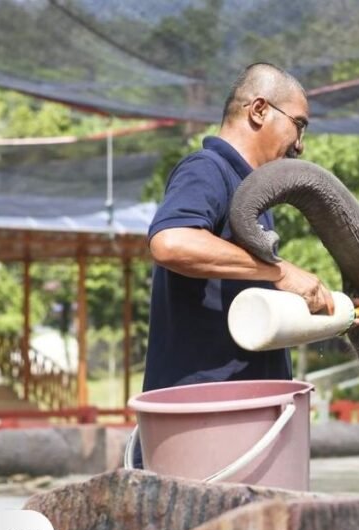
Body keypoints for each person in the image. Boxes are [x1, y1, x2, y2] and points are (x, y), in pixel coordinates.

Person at [143, 63, 335, 396]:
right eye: (298, 125)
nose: (300, 145)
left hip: (244, 412)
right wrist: (278, 271)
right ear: (259, 110)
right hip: (204, 413)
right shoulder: (208, 168)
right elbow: (170, 242)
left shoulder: (252, 192)